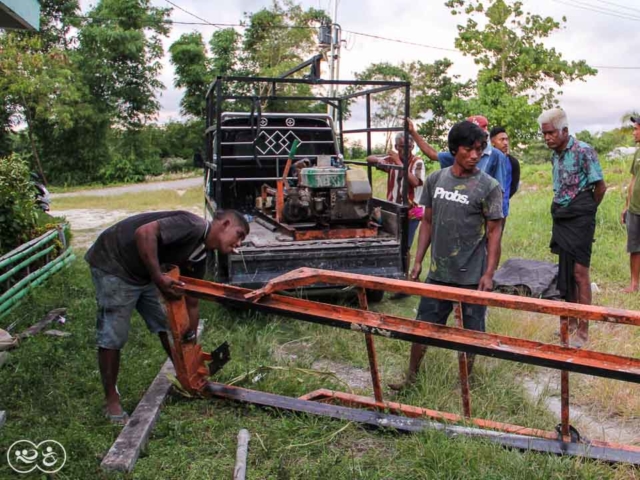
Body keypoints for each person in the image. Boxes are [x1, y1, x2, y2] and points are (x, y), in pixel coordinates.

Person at [85, 209, 249, 424]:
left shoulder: (200, 255)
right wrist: (158, 277)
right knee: (114, 333)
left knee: (168, 324)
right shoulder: (193, 225)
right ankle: (111, 401)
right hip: (115, 262)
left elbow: (191, 299)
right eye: (239, 235)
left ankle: (185, 377)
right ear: (225, 224)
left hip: (144, 272)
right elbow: (144, 233)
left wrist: (190, 334)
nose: (239, 243)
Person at [390, 121, 504, 390]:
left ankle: (466, 383)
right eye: (469, 149)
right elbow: (427, 222)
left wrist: (488, 274)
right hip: (439, 274)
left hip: (472, 278)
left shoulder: (489, 186)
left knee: (471, 334)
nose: (475, 155)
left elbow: (494, 232)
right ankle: (411, 378)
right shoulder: (436, 180)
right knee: (423, 327)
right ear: (455, 149)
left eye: (480, 149)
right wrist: (418, 260)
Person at [538, 108, 606, 347]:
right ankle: (569, 324)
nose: (547, 138)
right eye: (544, 134)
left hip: (580, 218)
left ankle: (584, 331)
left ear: (564, 131)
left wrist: (585, 211)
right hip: (562, 217)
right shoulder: (554, 155)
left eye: (550, 133)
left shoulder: (583, 151)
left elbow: (600, 187)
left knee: (579, 273)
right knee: (565, 272)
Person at [407, 116, 512, 220]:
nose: (473, 155)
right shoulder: (460, 153)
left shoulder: (497, 156)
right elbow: (433, 154)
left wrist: (490, 217)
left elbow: (499, 191)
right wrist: (413, 132)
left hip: (483, 215)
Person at [367, 132, 425, 299]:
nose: (404, 151)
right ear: (396, 147)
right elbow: (369, 159)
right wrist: (384, 157)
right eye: (400, 147)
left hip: (411, 211)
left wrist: (398, 162)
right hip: (393, 209)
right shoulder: (392, 159)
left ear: (412, 147)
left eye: (407, 147)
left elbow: (414, 181)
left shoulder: (417, 162)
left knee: (404, 247)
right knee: (393, 244)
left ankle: (405, 283)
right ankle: (399, 279)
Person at [621, 116, 640, 292]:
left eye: (636, 128)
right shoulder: (637, 153)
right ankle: (634, 284)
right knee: (634, 247)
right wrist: (627, 206)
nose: (634, 132)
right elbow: (633, 179)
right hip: (635, 208)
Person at [489, 126, 520, 198]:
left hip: (504, 205)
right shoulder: (486, 160)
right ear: (493, 142)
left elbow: (515, 186)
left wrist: (504, 197)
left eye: (506, 139)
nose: (505, 143)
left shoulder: (513, 162)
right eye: (502, 140)